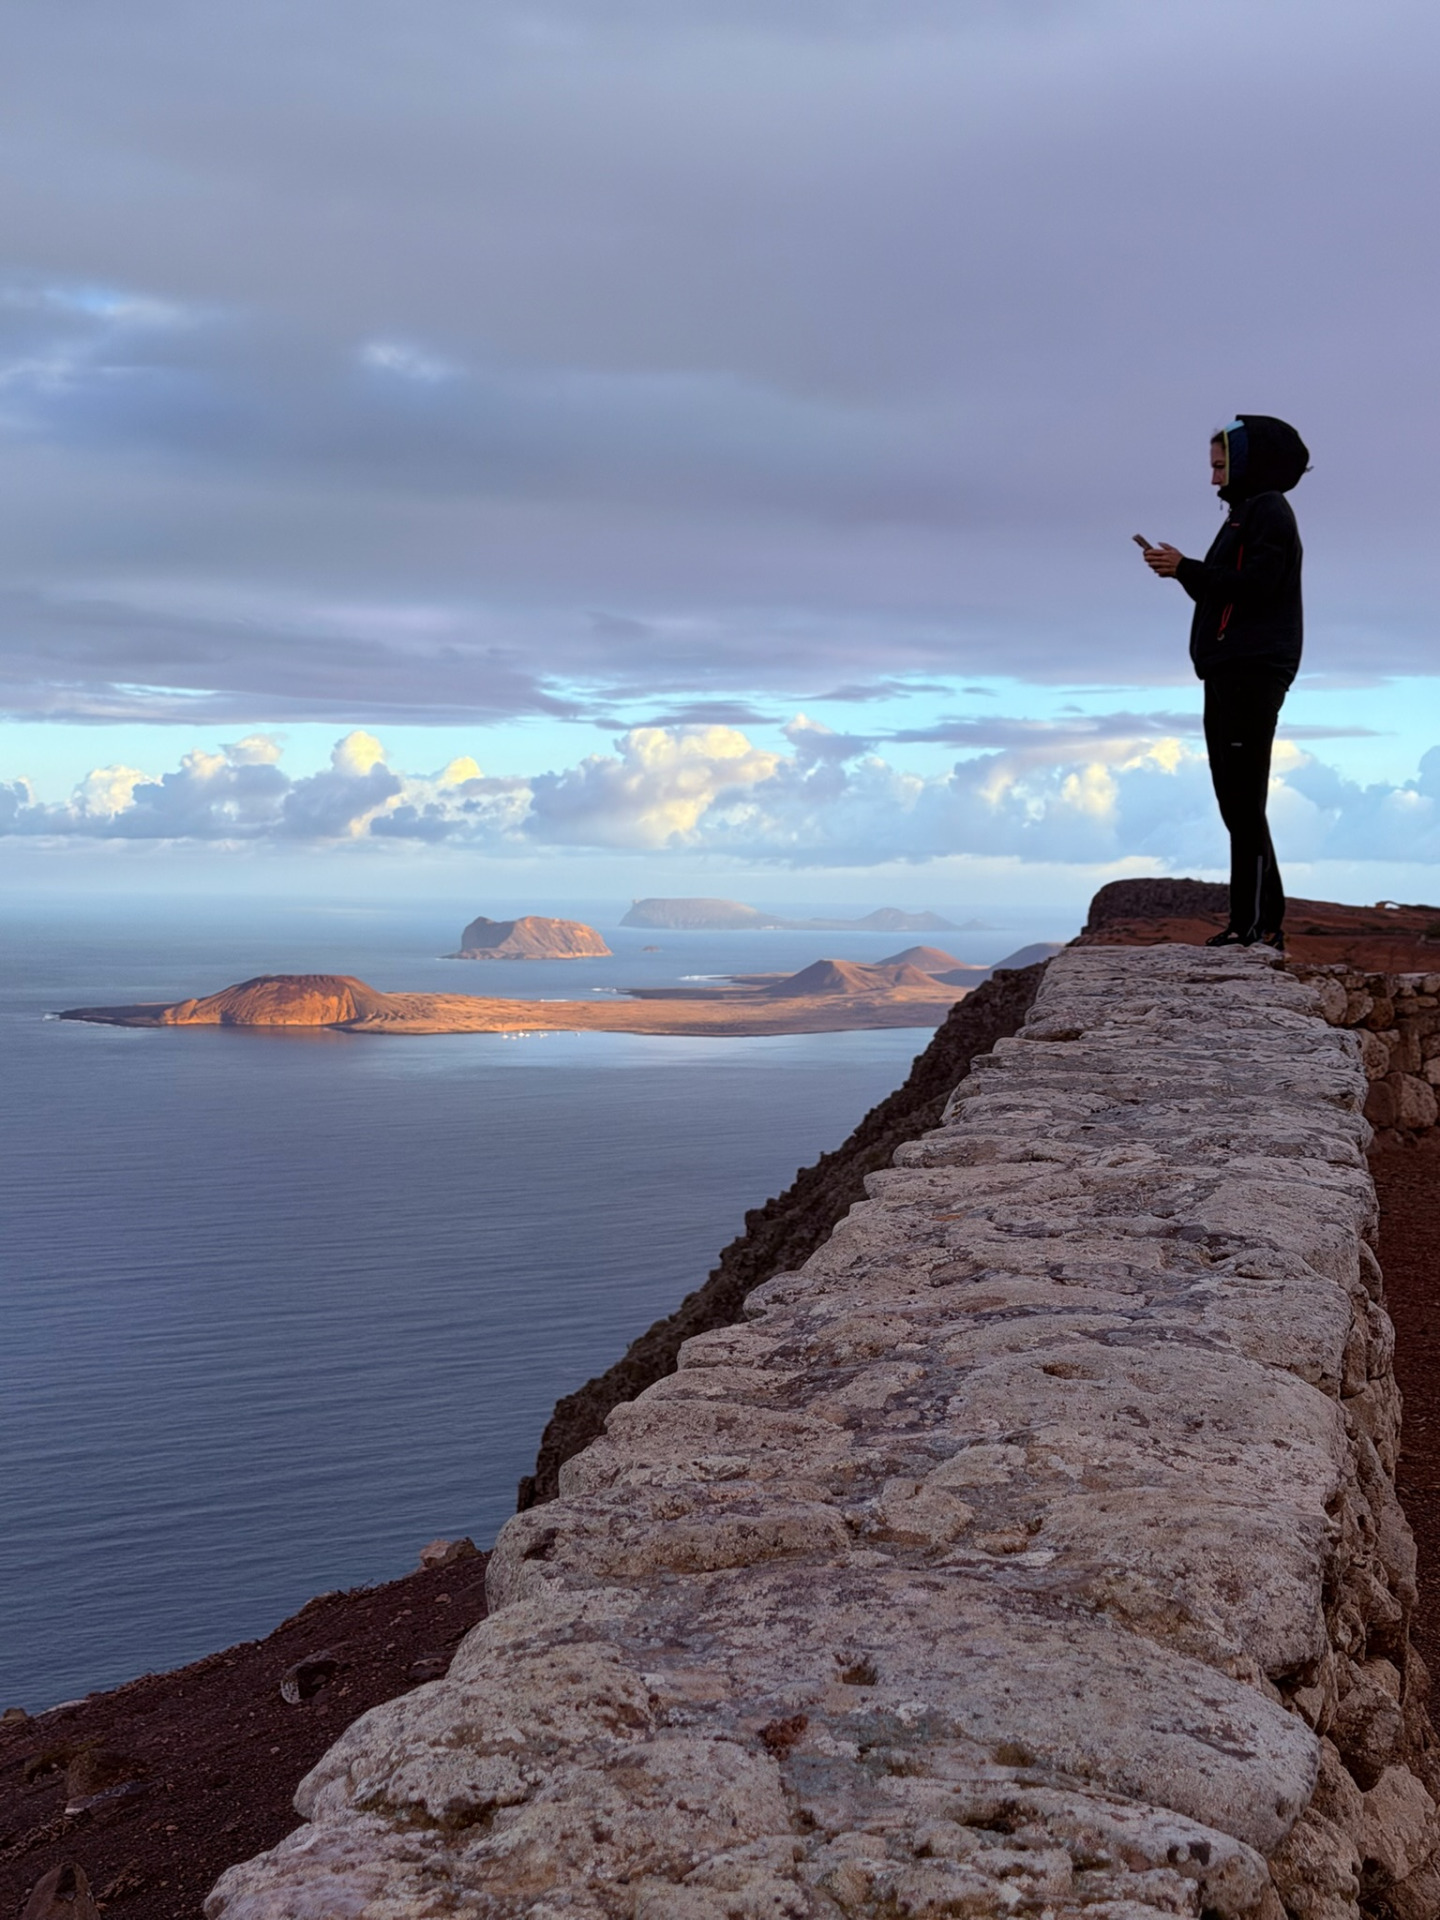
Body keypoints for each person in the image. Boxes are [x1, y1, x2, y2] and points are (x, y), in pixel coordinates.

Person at [1142, 414, 1310, 952]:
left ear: (1247, 461)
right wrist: (1181, 572)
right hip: (1233, 670)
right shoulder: (1245, 515)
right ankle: (1255, 923)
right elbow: (1228, 597)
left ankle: (1254, 926)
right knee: (1237, 800)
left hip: (1251, 672)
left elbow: (1257, 587)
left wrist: (1187, 567)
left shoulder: (1268, 512)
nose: (1214, 479)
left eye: (1221, 465)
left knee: (1242, 799)